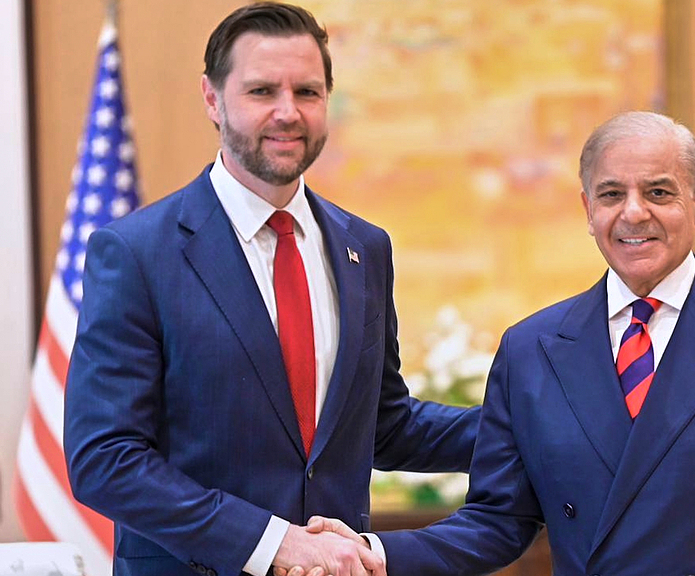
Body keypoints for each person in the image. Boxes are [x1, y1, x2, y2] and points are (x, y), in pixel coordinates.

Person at [299, 111, 695, 575]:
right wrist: (373, 553)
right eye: (611, 194)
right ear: (588, 212)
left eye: (659, 192)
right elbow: (498, 521)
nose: (633, 212)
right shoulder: (531, 350)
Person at [63, 3, 479, 576]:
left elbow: (382, 425)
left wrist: (536, 425)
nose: (288, 113)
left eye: (307, 92)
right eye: (262, 91)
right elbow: (105, 460)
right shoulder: (137, 253)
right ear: (212, 98)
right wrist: (272, 542)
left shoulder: (366, 248)